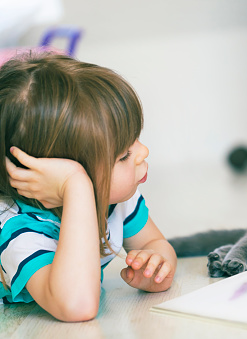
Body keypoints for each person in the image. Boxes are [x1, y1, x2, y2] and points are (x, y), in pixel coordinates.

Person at [0, 53, 177, 322]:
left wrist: (156, 265)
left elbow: (154, 242)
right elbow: (77, 306)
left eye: (135, 141)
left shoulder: (112, 198)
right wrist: (77, 185)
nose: (143, 152)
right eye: (124, 156)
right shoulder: (20, 230)